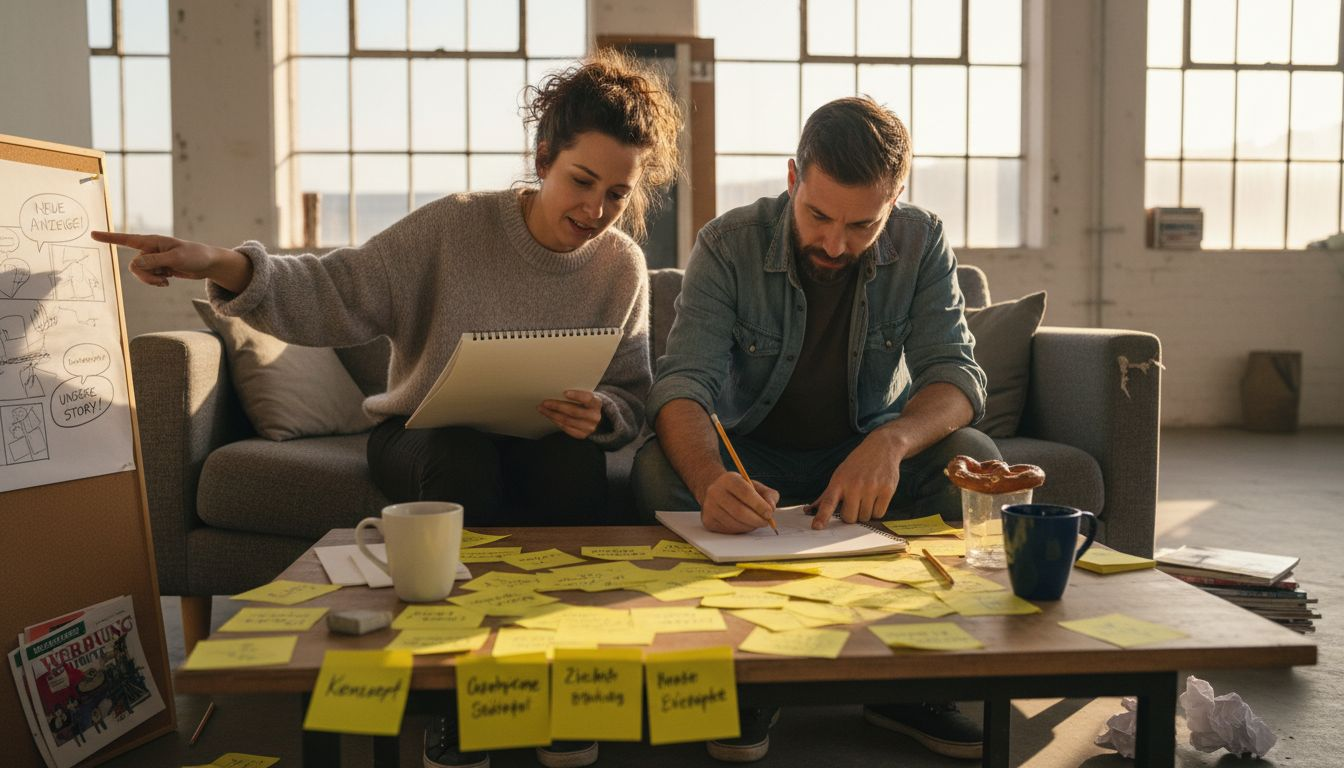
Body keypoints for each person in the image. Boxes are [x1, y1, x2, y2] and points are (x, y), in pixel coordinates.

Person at [95, 50, 682, 768]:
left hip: (537, 437)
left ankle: (562, 685)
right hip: (420, 435)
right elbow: (336, 287)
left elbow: (631, 388)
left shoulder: (619, 266)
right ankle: (459, 704)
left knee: (568, 468)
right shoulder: (455, 228)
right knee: (461, 467)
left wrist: (604, 415)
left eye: (617, 195)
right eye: (581, 182)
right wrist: (221, 263)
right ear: (542, 157)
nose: (595, 212)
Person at [632, 96, 1001, 762]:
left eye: (863, 225)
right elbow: (684, 385)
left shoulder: (922, 240)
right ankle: (746, 675)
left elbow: (958, 377)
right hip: (754, 460)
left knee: (971, 458)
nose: (836, 244)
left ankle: (907, 681)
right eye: (818, 216)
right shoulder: (727, 242)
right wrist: (713, 478)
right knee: (661, 471)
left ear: (895, 199)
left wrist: (889, 443)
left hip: (863, 452)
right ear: (793, 179)